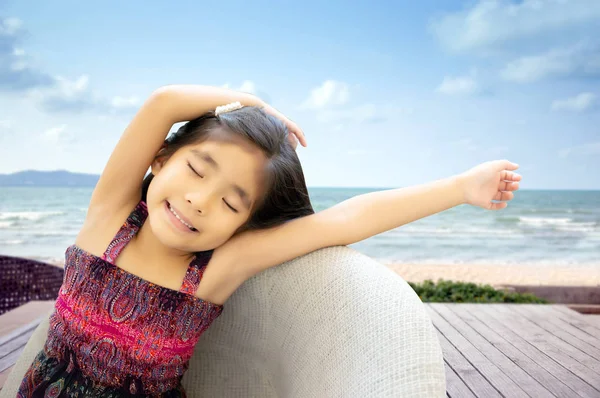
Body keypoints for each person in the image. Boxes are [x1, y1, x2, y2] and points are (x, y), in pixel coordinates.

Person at [17, 85, 521, 397]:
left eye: (232, 204)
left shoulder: (216, 269)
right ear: (161, 158)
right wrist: (253, 106)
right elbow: (163, 103)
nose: (199, 201)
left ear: (244, 224)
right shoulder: (107, 219)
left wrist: (461, 188)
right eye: (197, 169)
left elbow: (344, 221)